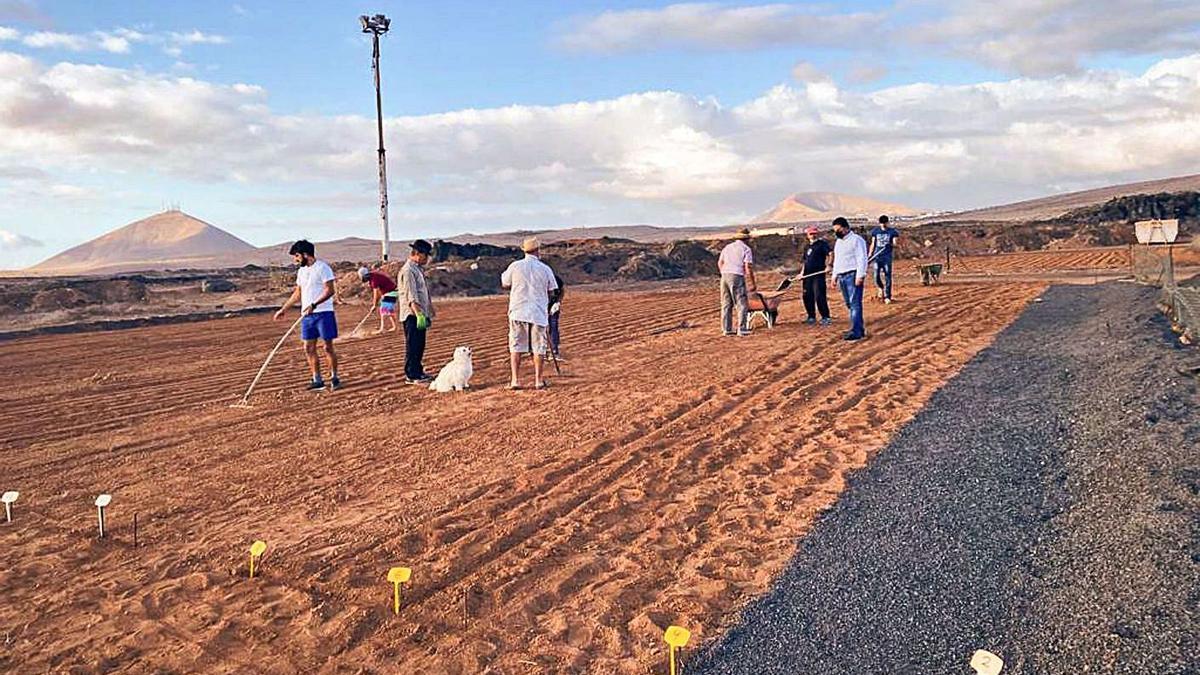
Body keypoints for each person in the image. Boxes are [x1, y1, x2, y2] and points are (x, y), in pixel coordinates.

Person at [274, 239, 341, 390]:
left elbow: (330, 290)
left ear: (305, 254)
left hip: (323, 313)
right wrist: (283, 309)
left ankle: (334, 377)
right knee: (308, 348)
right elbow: (298, 293)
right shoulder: (301, 271)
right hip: (307, 316)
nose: (295, 260)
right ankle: (317, 379)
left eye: (297, 256)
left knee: (327, 347)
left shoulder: (323, 268)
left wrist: (315, 304)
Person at [501, 237, 558, 390]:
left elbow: (505, 283)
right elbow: (552, 290)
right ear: (538, 250)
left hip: (518, 311)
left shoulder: (515, 266)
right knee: (539, 347)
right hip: (538, 313)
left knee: (516, 346)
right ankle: (538, 380)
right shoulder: (545, 269)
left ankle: (515, 380)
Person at [399, 240, 436, 384]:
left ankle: (418, 371)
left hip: (420, 313)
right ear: (417, 254)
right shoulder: (408, 271)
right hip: (412, 315)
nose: (427, 259)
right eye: (425, 255)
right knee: (413, 345)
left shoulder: (417, 269)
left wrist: (428, 311)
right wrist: (419, 314)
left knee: (420, 344)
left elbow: (423, 292)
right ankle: (412, 374)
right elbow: (411, 295)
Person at [829, 217, 867, 341]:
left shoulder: (857, 240)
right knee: (849, 303)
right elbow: (838, 260)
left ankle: (856, 332)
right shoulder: (839, 242)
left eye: (838, 230)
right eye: (834, 230)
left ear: (845, 228)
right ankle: (858, 328)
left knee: (855, 303)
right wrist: (834, 276)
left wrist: (860, 275)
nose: (836, 233)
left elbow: (862, 258)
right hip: (842, 276)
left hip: (853, 274)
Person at [718, 227, 757, 336]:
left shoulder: (727, 247)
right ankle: (742, 328)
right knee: (741, 302)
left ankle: (727, 329)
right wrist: (752, 283)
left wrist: (724, 273)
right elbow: (748, 267)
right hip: (737, 275)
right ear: (747, 239)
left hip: (725, 275)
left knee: (726, 303)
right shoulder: (746, 249)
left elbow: (720, 262)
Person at [800, 226, 832, 326]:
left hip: (818, 274)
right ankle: (811, 316)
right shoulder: (807, 247)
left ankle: (825, 317)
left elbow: (831, 254)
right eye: (811, 234)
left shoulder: (822, 244)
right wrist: (801, 273)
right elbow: (805, 262)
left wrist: (829, 265)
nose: (813, 235)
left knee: (819, 295)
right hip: (807, 275)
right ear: (807, 235)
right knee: (807, 296)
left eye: (814, 233)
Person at [868, 214, 900, 303]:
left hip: (887, 257)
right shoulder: (876, 231)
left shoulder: (892, 232)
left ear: (887, 223)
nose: (883, 225)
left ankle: (887, 296)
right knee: (876, 275)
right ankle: (880, 287)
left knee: (887, 276)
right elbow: (873, 243)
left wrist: (890, 244)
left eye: (885, 223)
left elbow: (895, 244)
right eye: (881, 224)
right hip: (877, 257)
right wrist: (870, 254)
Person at [358, 266, 399, 333]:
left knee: (384, 309)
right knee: (388, 310)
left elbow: (376, 293)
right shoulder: (372, 277)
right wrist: (381, 297)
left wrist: (374, 305)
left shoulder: (374, 280)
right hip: (389, 292)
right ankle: (395, 327)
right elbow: (379, 291)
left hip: (391, 292)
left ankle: (383, 328)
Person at [548, 271, 565, 360]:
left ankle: (554, 350)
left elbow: (562, 291)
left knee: (553, 327)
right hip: (540, 306)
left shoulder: (557, 279)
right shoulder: (538, 280)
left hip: (553, 306)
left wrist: (558, 302)